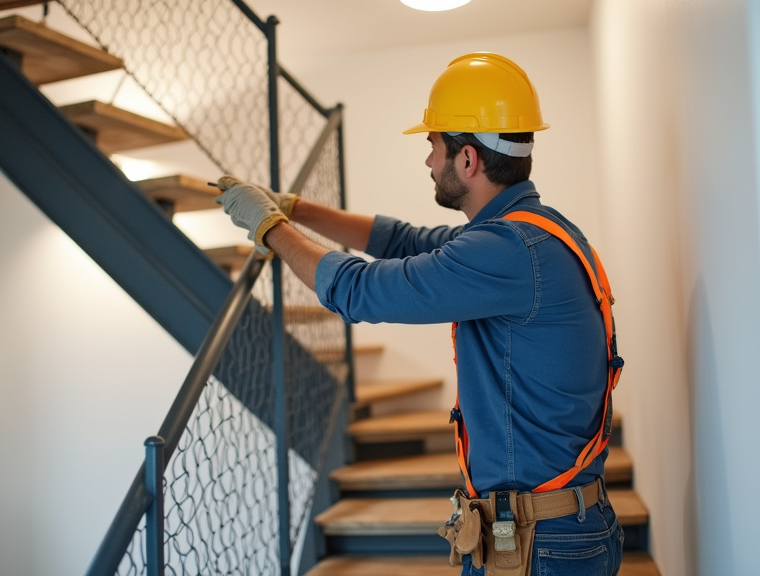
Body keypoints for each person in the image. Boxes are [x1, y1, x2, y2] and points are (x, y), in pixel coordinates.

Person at [215, 52, 623, 576]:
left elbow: (358, 291)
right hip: (554, 531)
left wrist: (268, 226)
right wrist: (295, 208)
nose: (428, 161)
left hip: (539, 545)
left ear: (468, 160)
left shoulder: (507, 250)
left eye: (433, 146)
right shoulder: (532, 233)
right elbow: (404, 241)